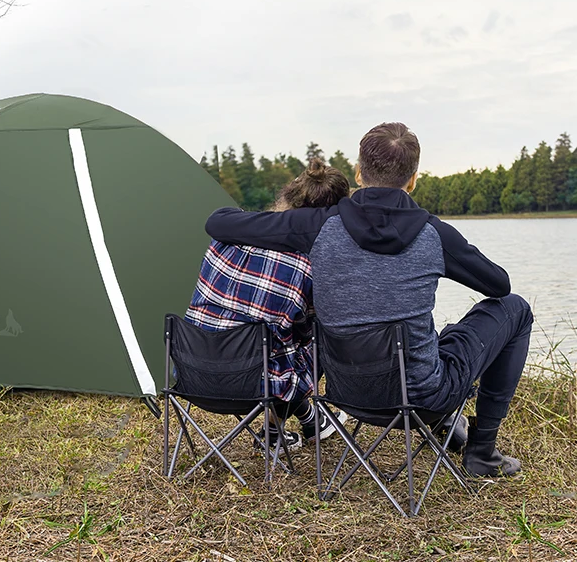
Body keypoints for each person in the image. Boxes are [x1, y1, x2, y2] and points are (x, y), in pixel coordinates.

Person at [205, 123, 533, 477]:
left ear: (359, 173)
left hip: (348, 393)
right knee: (515, 308)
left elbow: (218, 222)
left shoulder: (315, 225)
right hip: (423, 397)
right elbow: (499, 285)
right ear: (413, 180)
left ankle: (453, 429)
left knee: (431, 339)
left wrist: (285, 220)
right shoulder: (435, 234)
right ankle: (482, 452)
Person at [185, 158, 350, 451]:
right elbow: (302, 337)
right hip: (252, 386)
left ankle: (312, 420)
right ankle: (274, 432)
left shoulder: (223, 240)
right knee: (314, 338)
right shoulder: (305, 266)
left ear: (287, 197)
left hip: (192, 373)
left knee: (275, 338)